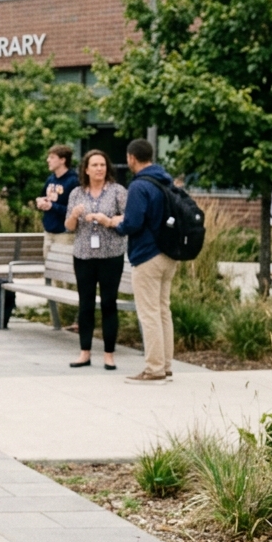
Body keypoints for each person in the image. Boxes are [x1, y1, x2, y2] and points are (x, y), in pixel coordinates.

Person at [91, 138, 176, 383]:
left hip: (147, 255)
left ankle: (153, 369)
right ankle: (166, 365)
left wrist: (112, 223)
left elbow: (133, 223)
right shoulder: (165, 180)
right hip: (168, 253)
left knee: (148, 313)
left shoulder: (140, 186)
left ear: (131, 158)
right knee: (162, 310)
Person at [64, 150, 127, 371]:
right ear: (86, 169)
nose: (99, 168)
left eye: (103, 164)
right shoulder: (77, 193)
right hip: (84, 255)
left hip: (111, 255)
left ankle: (109, 354)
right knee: (86, 304)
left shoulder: (118, 191)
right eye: (95, 165)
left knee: (109, 303)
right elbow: (69, 227)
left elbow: (128, 218)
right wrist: (74, 215)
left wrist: (107, 221)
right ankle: (85, 352)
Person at [36, 144, 79, 257]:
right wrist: (41, 202)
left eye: (52, 157)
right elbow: (43, 197)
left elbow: (75, 210)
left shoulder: (73, 181)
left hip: (64, 234)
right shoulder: (50, 179)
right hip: (49, 232)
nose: (48, 160)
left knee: (61, 271)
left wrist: (52, 206)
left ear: (62, 160)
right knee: (48, 271)